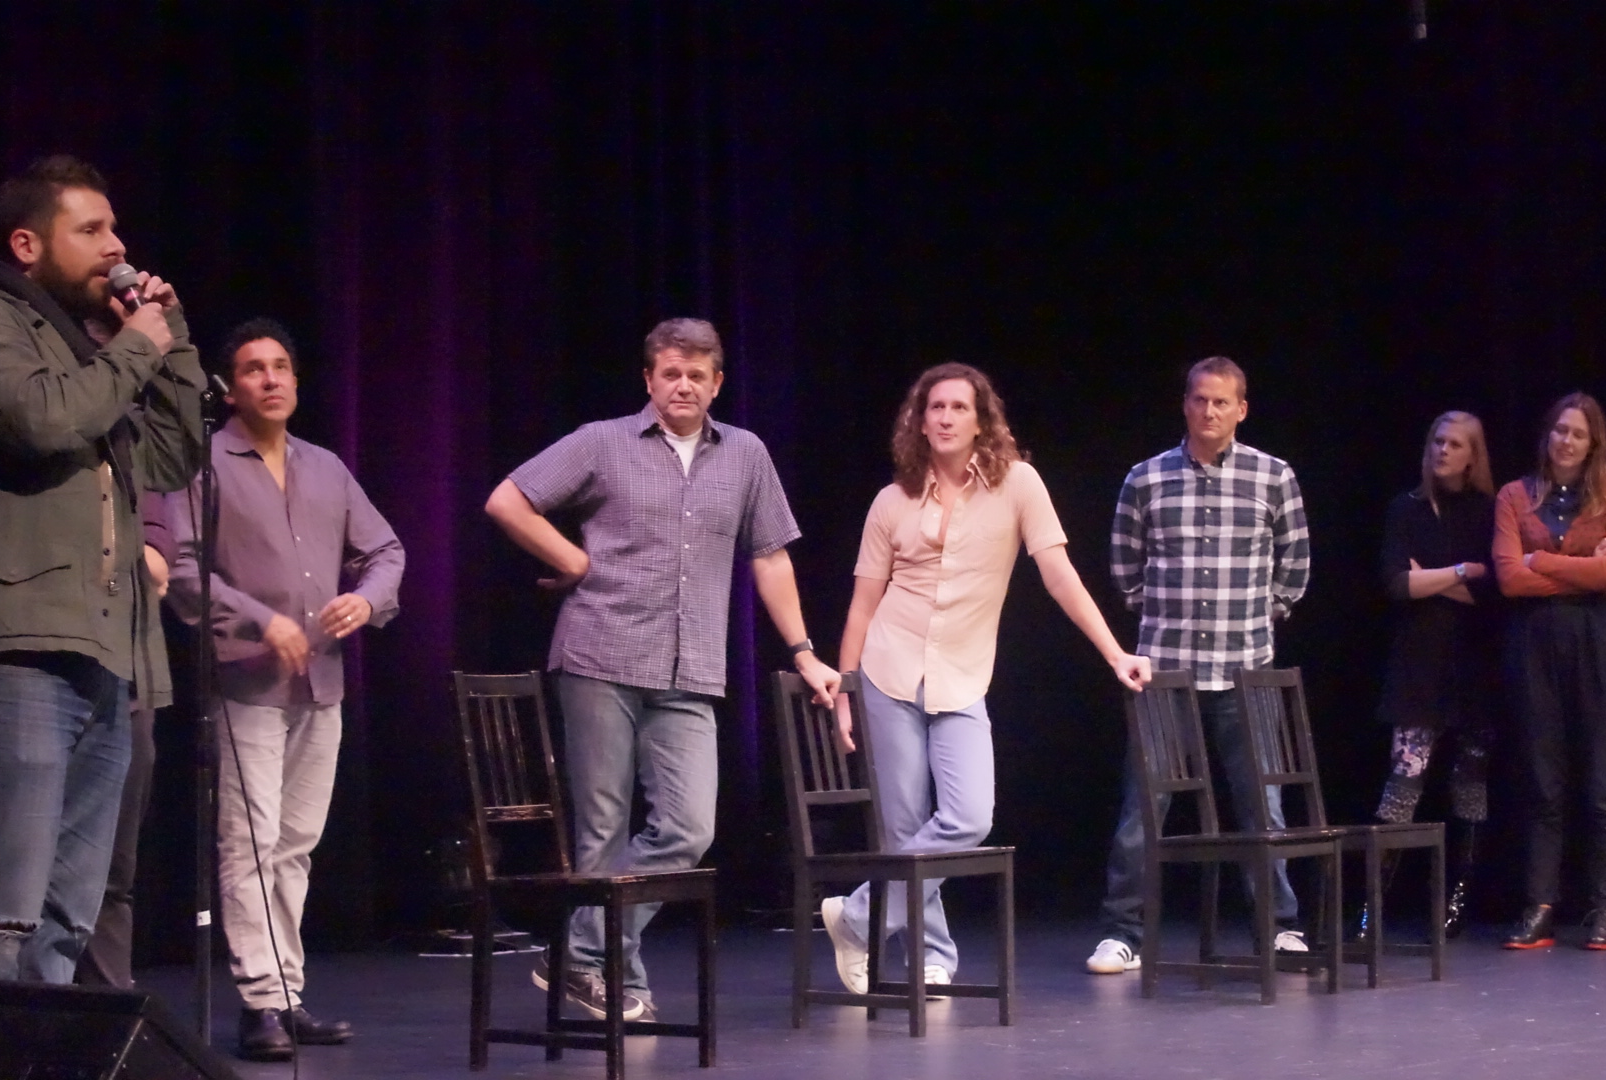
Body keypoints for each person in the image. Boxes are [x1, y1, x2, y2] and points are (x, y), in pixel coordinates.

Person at [484, 317, 842, 1022]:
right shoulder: (602, 442)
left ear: (717, 384)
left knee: (687, 828)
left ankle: (579, 954)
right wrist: (572, 560)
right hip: (600, 655)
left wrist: (803, 649)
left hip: (692, 667)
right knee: (604, 826)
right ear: (648, 379)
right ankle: (606, 976)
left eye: (697, 374)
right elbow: (507, 499)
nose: (683, 384)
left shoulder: (744, 454)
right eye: (670, 372)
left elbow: (770, 556)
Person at [0, 155, 203, 990]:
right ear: (28, 244)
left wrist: (173, 336)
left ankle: (34, 1057)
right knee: (3, 901)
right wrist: (134, 354)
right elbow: (41, 422)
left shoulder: (96, 353)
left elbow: (171, 453)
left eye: (115, 227)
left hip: (107, 649)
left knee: (67, 911)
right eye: (91, 230)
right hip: (19, 642)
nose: (116, 246)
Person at [817, 363, 1150, 994]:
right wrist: (845, 689)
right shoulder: (892, 500)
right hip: (889, 670)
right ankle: (930, 955)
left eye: (958, 408)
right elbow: (863, 603)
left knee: (969, 817)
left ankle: (858, 917)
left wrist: (1114, 653)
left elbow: (1059, 574)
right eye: (934, 408)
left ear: (980, 421)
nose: (944, 418)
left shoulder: (1018, 485)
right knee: (904, 824)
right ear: (920, 420)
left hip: (963, 676)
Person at [166, 318, 405, 1060]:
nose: (269, 379)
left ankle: (287, 995)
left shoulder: (326, 467)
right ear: (230, 387)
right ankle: (259, 1003)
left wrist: (367, 600)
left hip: (321, 683)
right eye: (252, 369)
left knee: (296, 843)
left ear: (296, 382)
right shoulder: (203, 464)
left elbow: (388, 550)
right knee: (252, 840)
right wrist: (261, 619)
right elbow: (179, 569)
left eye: (280, 367)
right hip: (245, 682)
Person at [1087, 356, 1312, 975]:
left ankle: (1279, 927)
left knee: (1261, 806)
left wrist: (1267, 616)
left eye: (1221, 403)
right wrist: (1159, 622)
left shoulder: (1273, 477)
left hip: (1245, 669)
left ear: (1241, 409)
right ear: (1184, 403)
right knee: (1143, 807)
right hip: (1166, 674)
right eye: (1199, 400)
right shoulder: (1147, 478)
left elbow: (1294, 566)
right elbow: (1125, 569)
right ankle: (1123, 932)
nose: (1208, 412)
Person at [1493, 392, 1606, 951]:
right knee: (1543, 784)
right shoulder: (1513, 496)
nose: (1566, 441)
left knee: (1601, 785)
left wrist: (1543, 562)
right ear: (1547, 436)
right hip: (1534, 643)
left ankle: (1603, 909)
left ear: (1592, 443)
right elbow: (1509, 579)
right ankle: (1539, 907)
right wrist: (1585, 568)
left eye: (1577, 433)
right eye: (1559, 431)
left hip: (1597, 643)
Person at [1367, 411, 1500, 938]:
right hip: (1418, 667)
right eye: (1438, 441)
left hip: (1473, 666)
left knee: (1469, 788)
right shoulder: (1406, 508)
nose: (1444, 450)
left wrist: (1437, 578)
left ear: (1473, 455)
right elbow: (1396, 584)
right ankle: (1369, 912)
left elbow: (1493, 590)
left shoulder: (1488, 512)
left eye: (1456, 444)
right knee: (1403, 785)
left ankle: (1455, 908)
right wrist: (1462, 573)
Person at [77, 490, 177, 989]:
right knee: (22, 872)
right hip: (46, 676)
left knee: (115, 872)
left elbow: (158, 563)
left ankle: (107, 1003)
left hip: (128, 685)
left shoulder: (135, 459)